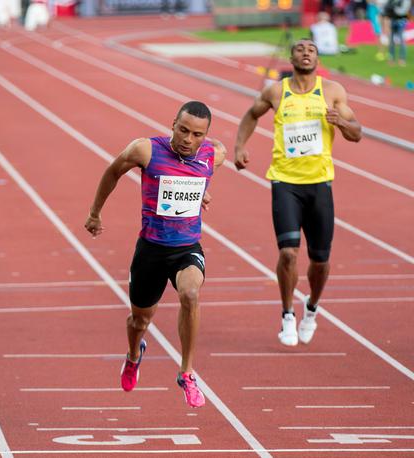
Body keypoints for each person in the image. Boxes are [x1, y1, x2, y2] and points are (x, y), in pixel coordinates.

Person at [85, 101, 225, 408]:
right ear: (173, 123)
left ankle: (186, 372)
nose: (189, 139)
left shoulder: (212, 155)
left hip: (186, 248)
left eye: (197, 134)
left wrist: (201, 191)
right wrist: (95, 213)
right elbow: (113, 171)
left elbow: (217, 155)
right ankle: (134, 354)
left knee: (190, 293)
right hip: (150, 249)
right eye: (184, 130)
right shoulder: (145, 150)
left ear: (205, 135)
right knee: (139, 321)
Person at [234, 39, 362, 347]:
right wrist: (240, 146)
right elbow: (252, 114)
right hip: (285, 182)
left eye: (311, 49)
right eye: (300, 48)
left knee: (320, 261)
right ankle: (288, 314)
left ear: (317, 58)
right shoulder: (277, 91)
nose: (306, 52)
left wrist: (341, 123)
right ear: (291, 57)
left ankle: (312, 308)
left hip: (319, 184)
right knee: (289, 253)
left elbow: (357, 132)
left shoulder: (332, 92)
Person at [385, 0, 411, 66]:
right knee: (391, 41)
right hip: (392, 20)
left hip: (401, 21)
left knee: (402, 40)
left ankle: (402, 59)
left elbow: (403, 11)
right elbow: (386, 8)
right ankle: (391, 59)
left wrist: (393, 8)